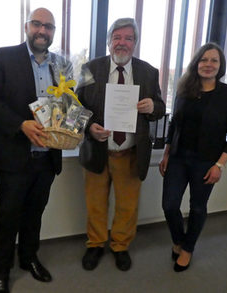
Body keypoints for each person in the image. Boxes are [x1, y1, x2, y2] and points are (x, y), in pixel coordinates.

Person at [0, 8, 68, 293]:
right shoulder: (4, 56)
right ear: (27, 26)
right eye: (37, 25)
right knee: (7, 215)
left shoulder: (62, 65)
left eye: (49, 27)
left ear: (54, 32)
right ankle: (1, 271)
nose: (43, 31)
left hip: (47, 156)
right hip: (13, 155)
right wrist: (20, 124)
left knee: (35, 213)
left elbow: (68, 105)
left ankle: (28, 258)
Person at [77, 18, 166, 271]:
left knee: (127, 206)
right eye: (117, 37)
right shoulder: (89, 68)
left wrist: (152, 107)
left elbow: (160, 107)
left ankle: (120, 246)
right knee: (95, 203)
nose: (122, 43)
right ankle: (95, 244)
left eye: (128, 38)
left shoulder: (149, 72)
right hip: (97, 150)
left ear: (135, 43)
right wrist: (88, 126)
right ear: (108, 42)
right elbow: (75, 106)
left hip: (130, 152)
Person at [159, 42, 227, 272]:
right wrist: (167, 153)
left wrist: (220, 165)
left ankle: (187, 249)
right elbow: (174, 125)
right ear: (196, 63)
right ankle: (179, 241)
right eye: (204, 60)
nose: (208, 64)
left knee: (197, 207)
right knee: (169, 205)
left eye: (214, 60)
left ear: (220, 65)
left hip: (207, 161)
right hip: (178, 158)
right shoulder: (184, 90)